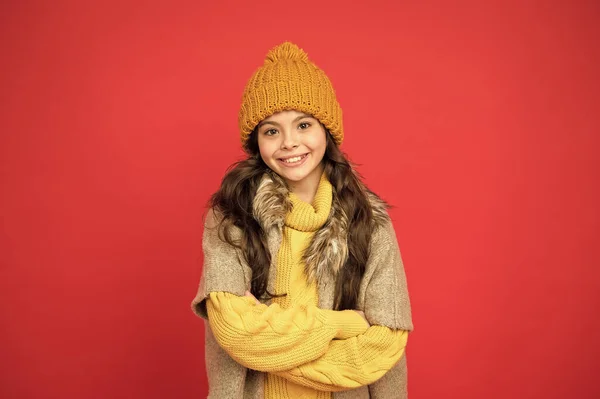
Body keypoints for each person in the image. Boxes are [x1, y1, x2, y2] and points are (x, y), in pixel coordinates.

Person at [191, 41, 414, 399]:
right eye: (271, 131)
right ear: (257, 142)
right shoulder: (231, 216)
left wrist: (268, 342)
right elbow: (233, 331)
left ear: (327, 129)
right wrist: (341, 324)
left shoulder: (369, 222)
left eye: (303, 124)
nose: (289, 143)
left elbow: (386, 345)